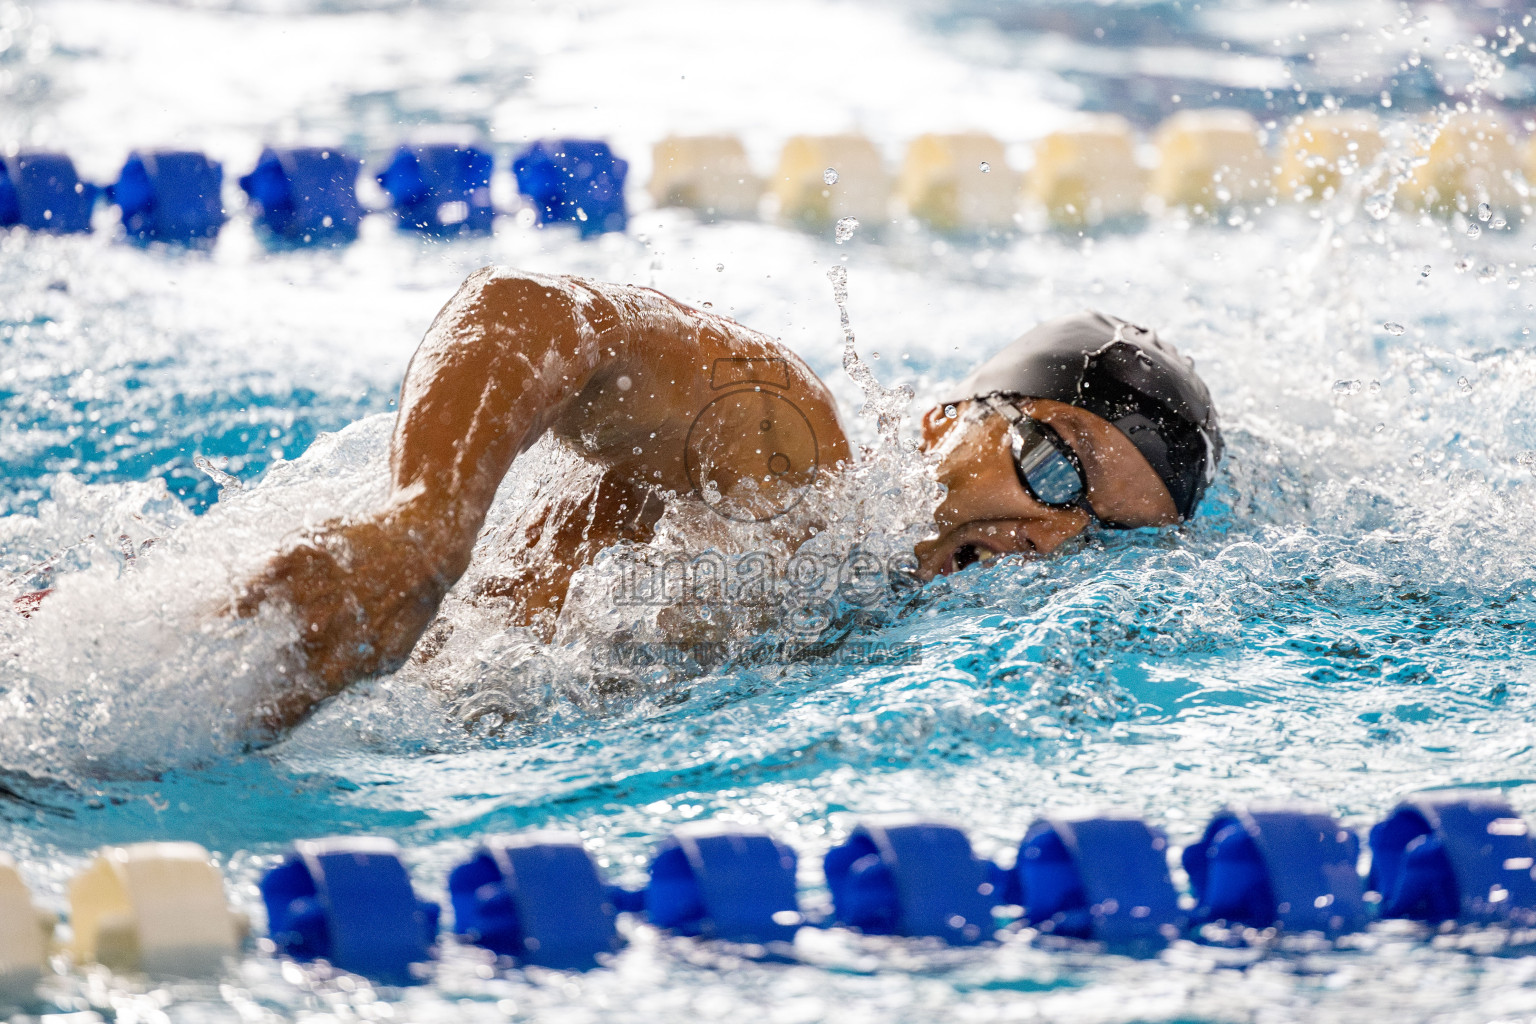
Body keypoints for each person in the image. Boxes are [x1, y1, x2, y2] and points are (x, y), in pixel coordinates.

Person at [230, 267, 1222, 734]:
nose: (1049, 535)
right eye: (1056, 465)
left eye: (1099, 539)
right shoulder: (797, 460)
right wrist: (423, 523)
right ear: (945, 420)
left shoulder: (884, 619)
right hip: (280, 635)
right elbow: (537, 310)